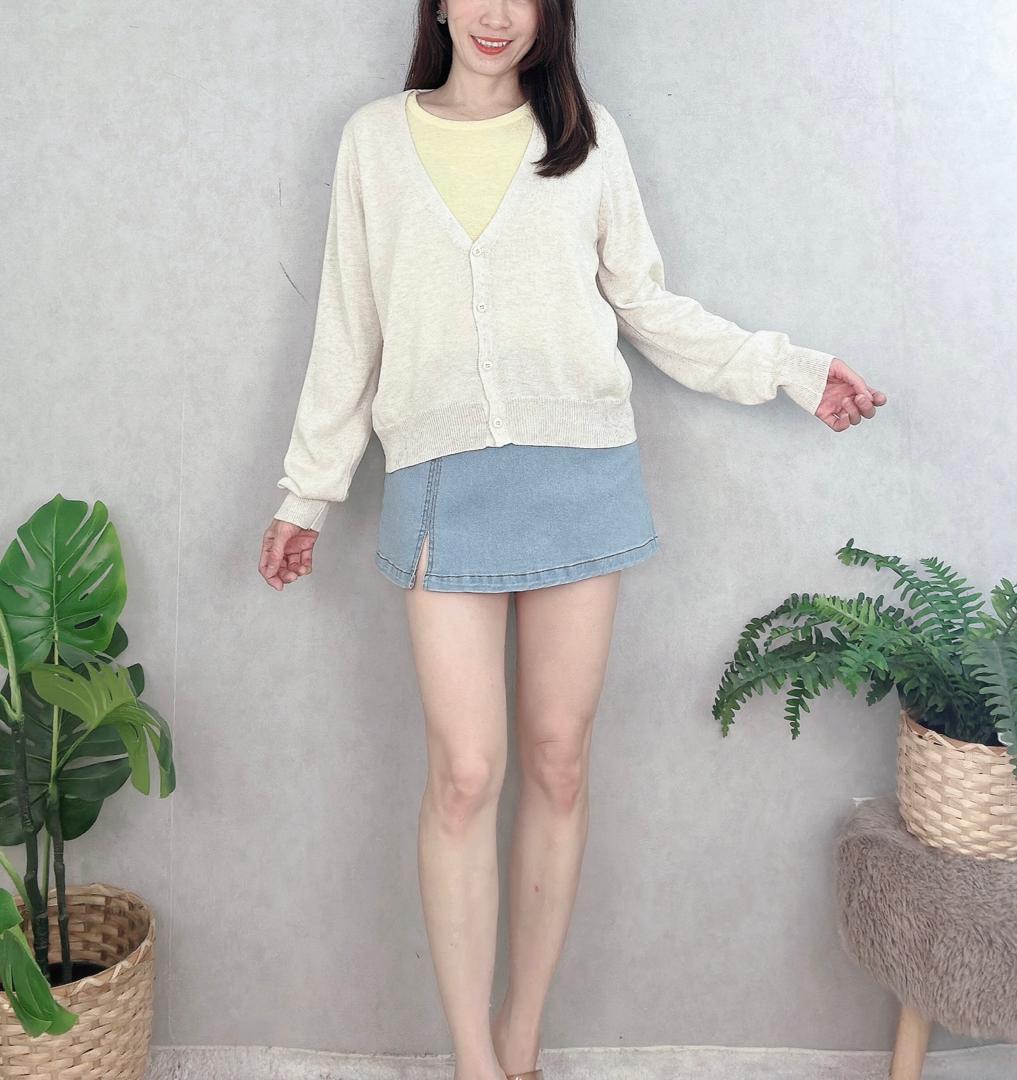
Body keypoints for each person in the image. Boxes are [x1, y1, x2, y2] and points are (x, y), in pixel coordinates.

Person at [259, 3, 886, 1078]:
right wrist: (306, 492)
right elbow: (348, 331)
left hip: (582, 473)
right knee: (465, 774)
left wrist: (788, 369)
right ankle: (471, 1062)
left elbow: (647, 306)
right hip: (441, 478)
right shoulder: (373, 141)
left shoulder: (583, 135)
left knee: (556, 764)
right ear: (438, 4)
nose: (497, 15)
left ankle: (520, 1042)